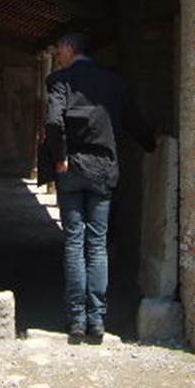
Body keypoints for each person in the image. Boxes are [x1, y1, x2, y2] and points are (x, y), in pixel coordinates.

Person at [44, 32, 155, 342]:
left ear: (69, 49)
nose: (58, 55)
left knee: (74, 244)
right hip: (104, 170)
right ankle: (97, 320)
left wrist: (59, 157)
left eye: (59, 50)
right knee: (97, 245)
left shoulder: (59, 81)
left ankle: (76, 320)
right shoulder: (115, 83)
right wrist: (152, 144)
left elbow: (54, 122)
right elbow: (133, 121)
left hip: (72, 169)